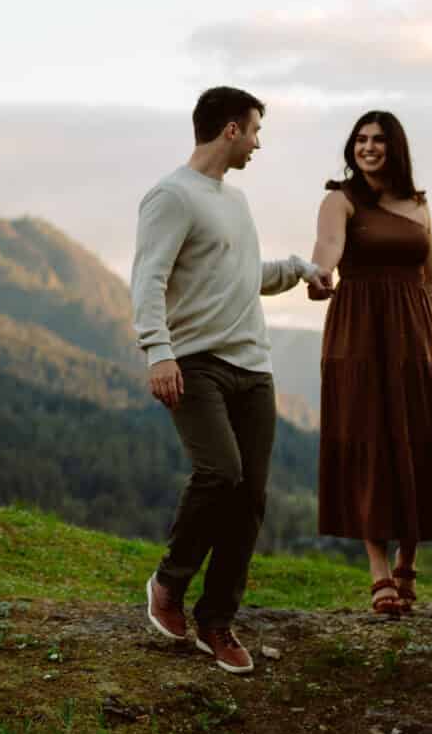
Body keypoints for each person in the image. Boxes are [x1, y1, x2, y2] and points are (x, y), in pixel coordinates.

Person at [134, 86, 325, 674]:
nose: (259, 143)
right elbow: (149, 279)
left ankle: (216, 622)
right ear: (231, 131)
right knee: (221, 473)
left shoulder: (234, 202)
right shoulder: (171, 196)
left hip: (253, 368)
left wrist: (299, 270)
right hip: (195, 362)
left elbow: (244, 276)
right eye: (256, 130)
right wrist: (158, 352)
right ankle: (169, 585)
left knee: (250, 500)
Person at [308, 110, 432, 617]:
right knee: (369, 438)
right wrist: (318, 274)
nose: (368, 147)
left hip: (416, 333)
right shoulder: (339, 199)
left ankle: (408, 561)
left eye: (378, 140)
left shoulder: (419, 205)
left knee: (418, 437)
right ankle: (378, 571)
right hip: (359, 333)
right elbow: (328, 247)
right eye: (360, 139)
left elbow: (430, 279)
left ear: (395, 147)